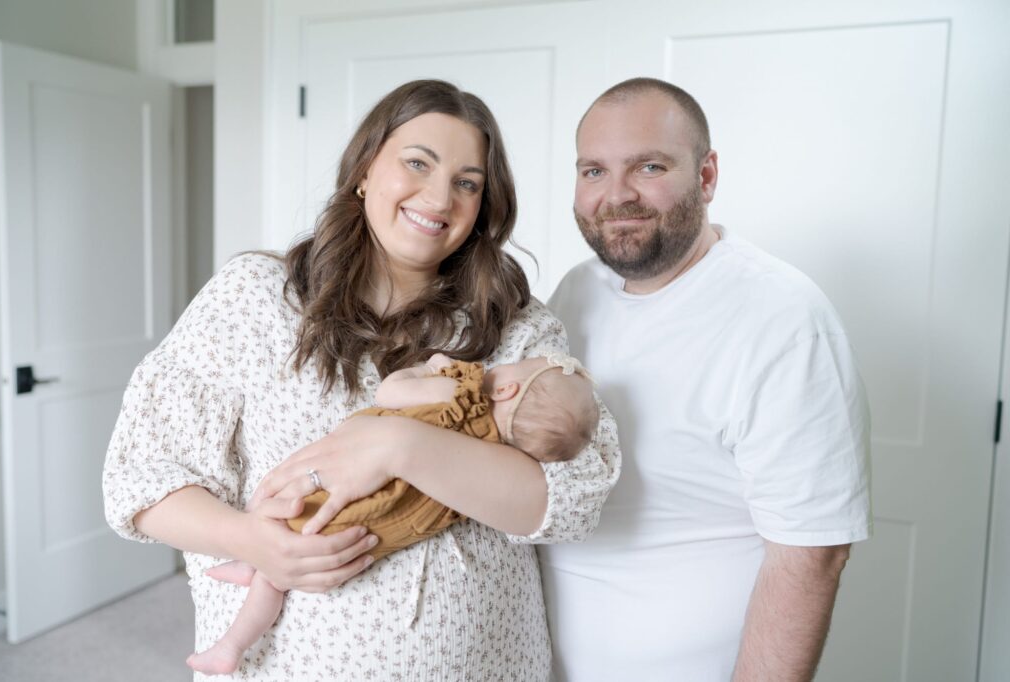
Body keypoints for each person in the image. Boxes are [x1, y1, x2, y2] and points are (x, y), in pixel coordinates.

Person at [103, 79, 620, 681]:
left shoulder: (517, 329)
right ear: (365, 170)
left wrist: (401, 447)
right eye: (417, 163)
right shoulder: (255, 298)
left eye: (467, 183)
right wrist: (254, 542)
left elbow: (572, 500)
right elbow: (141, 477)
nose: (439, 196)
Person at [539, 77, 871, 681]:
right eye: (593, 171)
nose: (616, 195)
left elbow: (814, 553)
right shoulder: (574, 293)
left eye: (649, 166)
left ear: (707, 176)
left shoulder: (783, 318)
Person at [187, 351, 600, 674]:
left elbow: (390, 393)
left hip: (354, 501)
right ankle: (255, 571)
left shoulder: (458, 394)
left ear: (507, 390)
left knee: (290, 543)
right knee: (290, 552)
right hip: (391, 524)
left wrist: (429, 370)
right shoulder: (493, 453)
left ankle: (234, 642)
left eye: (516, 364)